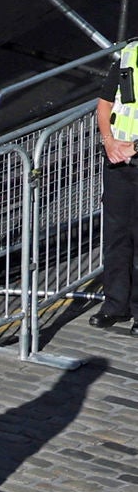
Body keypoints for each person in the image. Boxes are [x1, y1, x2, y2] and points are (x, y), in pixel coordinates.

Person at [96, 38, 138, 330]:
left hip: (131, 153)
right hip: (118, 160)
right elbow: (104, 102)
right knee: (116, 234)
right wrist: (109, 142)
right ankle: (116, 305)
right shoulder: (128, 55)